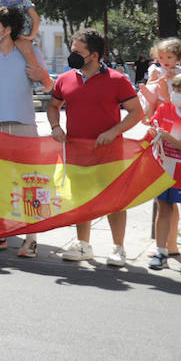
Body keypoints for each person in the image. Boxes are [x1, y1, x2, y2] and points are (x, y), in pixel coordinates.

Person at [46, 27, 143, 266]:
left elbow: (136, 112)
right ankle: (83, 245)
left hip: (109, 152)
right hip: (77, 150)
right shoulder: (66, 78)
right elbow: (52, 106)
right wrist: (55, 126)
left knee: (115, 201)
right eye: (72, 50)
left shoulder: (118, 80)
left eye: (78, 51)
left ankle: (118, 249)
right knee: (81, 198)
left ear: (94, 55)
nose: (73, 56)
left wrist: (113, 132)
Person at [0, 6, 54, 257]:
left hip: (23, 124)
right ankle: (0, 235)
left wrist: (41, 75)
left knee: (30, 181)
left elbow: (49, 86)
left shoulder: (29, 50)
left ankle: (31, 238)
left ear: (7, 29)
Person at [145, 69, 181, 271]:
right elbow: (152, 127)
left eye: (180, 90)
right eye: (173, 88)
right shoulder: (166, 109)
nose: (174, 93)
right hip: (163, 169)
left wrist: (166, 137)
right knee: (164, 209)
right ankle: (161, 252)